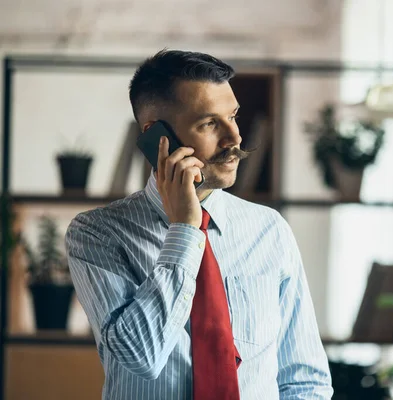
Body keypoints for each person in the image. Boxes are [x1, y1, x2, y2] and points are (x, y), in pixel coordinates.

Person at [65, 49, 333, 400]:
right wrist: (185, 231)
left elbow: (304, 379)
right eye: (209, 124)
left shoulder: (269, 230)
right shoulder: (97, 233)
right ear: (158, 137)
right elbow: (140, 358)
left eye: (233, 116)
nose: (234, 138)